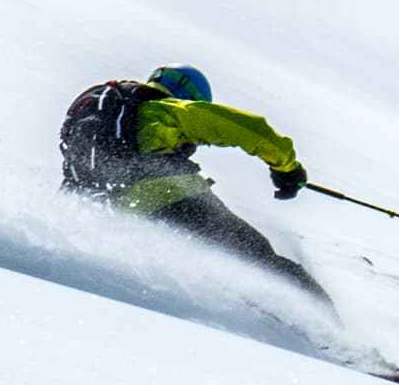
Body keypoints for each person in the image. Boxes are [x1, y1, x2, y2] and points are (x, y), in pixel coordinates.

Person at [60, 64, 314, 285]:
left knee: (216, 269)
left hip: (125, 212)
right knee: (262, 263)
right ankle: (328, 333)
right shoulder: (165, 110)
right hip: (175, 200)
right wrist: (286, 167)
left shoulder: (108, 116)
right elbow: (251, 129)